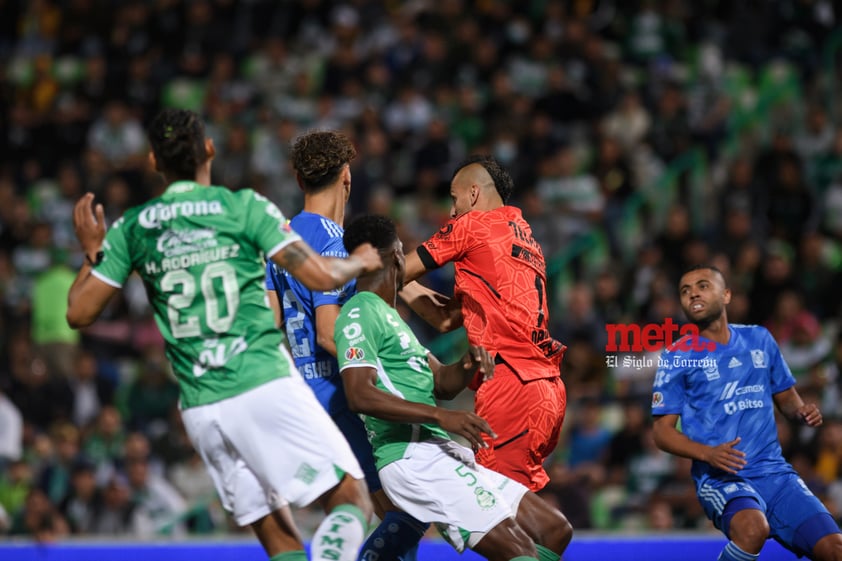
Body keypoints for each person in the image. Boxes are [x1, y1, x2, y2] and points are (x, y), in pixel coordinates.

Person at [66, 108, 380, 561]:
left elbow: (78, 313)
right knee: (350, 498)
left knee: (280, 540)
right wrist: (360, 262)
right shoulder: (244, 208)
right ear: (209, 149)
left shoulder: (133, 227)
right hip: (261, 381)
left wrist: (93, 251)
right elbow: (319, 276)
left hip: (201, 408)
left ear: (154, 162)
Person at [335, 214, 573, 561]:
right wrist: (441, 417)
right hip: (412, 457)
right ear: (398, 255)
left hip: (438, 450)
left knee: (554, 530)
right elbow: (359, 394)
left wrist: (467, 363)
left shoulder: (393, 319)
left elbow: (442, 383)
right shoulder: (359, 312)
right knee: (520, 550)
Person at [264, 130, 427, 560]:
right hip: (341, 397)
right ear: (347, 176)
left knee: (383, 510)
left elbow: (272, 322)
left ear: (299, 180)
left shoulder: (279, 238)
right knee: (406, 512)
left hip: (305, 395)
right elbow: (327, 329)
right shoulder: (332, 243)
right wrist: (388, 372)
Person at [651, 265, 842, 561]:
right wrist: (707, 453)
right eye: (685, 291)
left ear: (726, 295)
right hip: (722, 478)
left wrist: (801, 410)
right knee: (753, 529)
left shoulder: (760, 339)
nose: (693, 294)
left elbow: (786, 397)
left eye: (702, 286)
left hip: (775, 475)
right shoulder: (678, 355)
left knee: (834, 549)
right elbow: (661, 432)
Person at [400, 155, 566, 492]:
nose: (451, 211)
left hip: (511, 383)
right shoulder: (524, 241)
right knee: (517, 510)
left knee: (499, 516)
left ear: (473, 194)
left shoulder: (473, 226)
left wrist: (350, 265)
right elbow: (446, 319)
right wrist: (399, 284)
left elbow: (396, 270)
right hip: (546, 389)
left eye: (454, 198)